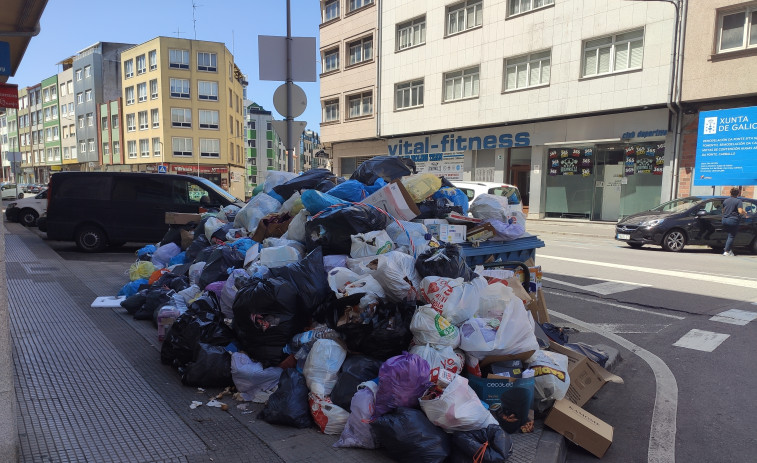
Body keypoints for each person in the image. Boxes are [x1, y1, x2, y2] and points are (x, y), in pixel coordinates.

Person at [722, 187, 746, 256]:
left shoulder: (726, 200)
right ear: (738, 194)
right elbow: (740, 211)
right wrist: (745, 213)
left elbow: (723, 211)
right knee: (731, 236)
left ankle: (728, 248)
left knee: (728, 235)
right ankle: (727, 251)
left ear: (730, 193)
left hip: (725, 219)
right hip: (733, 220)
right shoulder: (738, 201)